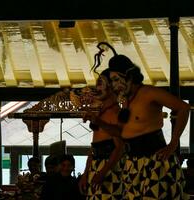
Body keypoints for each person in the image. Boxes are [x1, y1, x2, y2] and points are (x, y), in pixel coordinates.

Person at [92, 42, 190, 199]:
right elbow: (121, 133)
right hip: (132, 164)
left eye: (117, 79)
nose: (114, 85)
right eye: (112, 81)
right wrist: (99, 122)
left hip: (155, 161)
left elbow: (183, 108)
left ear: (129, 76)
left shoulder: (149, 93)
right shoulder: (124, 101)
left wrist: (173, 143)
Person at [80, 69, 125, 200]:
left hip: (110, 170)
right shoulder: (100, 112)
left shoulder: (115, 113)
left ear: (111, 87)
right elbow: (93, 148)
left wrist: (103, 172)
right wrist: (85, 174)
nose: (97, 88)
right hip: (96, 168)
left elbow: (120, 148)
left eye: (101, 83)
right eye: (97, 84)